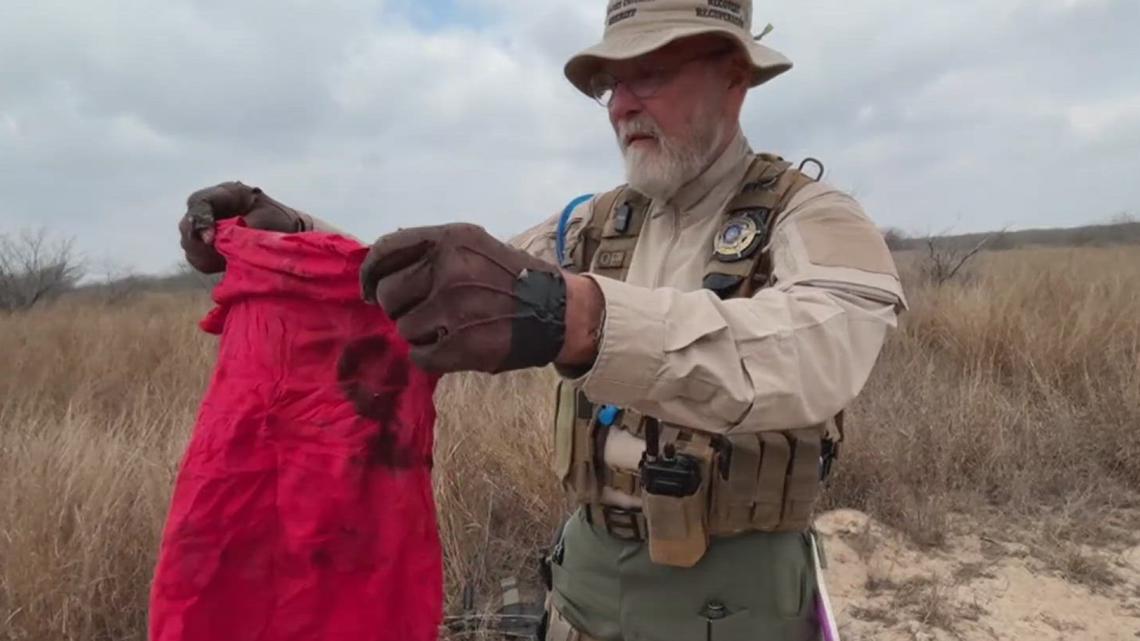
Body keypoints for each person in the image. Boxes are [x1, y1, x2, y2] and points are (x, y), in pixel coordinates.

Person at [179, 1, 907, 639]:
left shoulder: (813, 216)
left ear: (734, 77)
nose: (623, 102)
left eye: (648, 72)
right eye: (610, 83)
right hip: (584, 586)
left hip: (733, 603)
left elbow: (816, 353)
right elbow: (447, 286)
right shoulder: (594, 222)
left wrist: (583, 318)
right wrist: (294, 237)